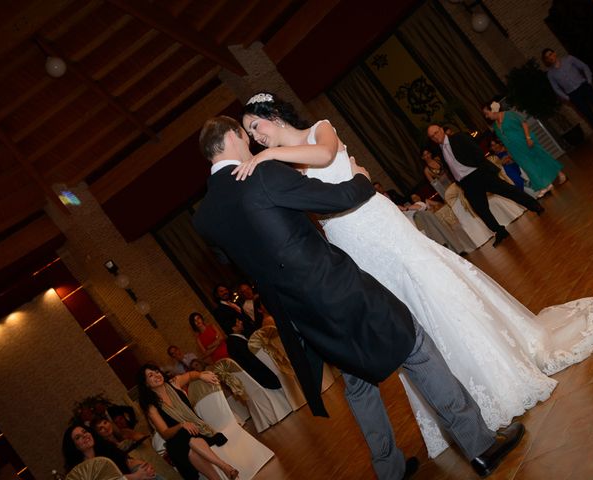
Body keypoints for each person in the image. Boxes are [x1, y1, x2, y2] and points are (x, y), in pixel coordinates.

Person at [236, 92, 593, 459]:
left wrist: (270, 157)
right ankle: (450, 404)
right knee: (401, 314)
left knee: (430, 285)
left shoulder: (317, 129)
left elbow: (323, 155)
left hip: (377, 223)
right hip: (348, 240)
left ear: (273, 116)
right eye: (251, 135)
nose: (256, 139)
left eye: (256, 128)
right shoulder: (281, 164)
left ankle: (490, 376)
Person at [193, 114, 526, 479]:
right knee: (415, 346)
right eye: (246, 135)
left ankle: (389, 469)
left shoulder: (204, 217)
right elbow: (333, 199)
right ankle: (479, 444)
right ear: (233, 137)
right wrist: (362, 179)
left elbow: (232, 256)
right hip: (335, 286)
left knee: (357, 381)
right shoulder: (262, 173)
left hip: (298, 312)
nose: (251, 143)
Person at [426, 123, 544, 247]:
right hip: (466, 183)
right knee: (481, 210)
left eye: (436, 132)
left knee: (508, 190)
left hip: (479, 173)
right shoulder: (440, 150)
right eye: (432, 136)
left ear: (441, 130)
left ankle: (535, 206)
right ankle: (500, 231)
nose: (435, 136)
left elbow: (477, 151)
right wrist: (459, 182)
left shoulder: (459, 137)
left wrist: (480, 168)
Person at [137, 364, 238, 480]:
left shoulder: (174, 383)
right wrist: (181, 425)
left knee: (189, 444)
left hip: (196, 430)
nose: (156, 375)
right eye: (151, 375)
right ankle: (225, 467)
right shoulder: (151, 406)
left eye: (157, 371)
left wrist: (201, 375)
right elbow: (165, 433)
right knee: (184, 436)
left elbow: (190, 375)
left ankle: (220, 475)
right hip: (176, 440)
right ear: (145, 383)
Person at [483, 101, 567, 197]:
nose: (486, 116)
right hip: (515, 150)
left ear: (493, 110)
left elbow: (524, 123)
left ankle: (560, 174)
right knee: (529, 167)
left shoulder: (509, 114)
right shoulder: (495, 126)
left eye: (487, 113)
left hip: (526, 142)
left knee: (542, 158)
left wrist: (528, 138)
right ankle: (544, 185)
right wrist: (509, 152)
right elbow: (503, 140)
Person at [542, 48, 593, 141]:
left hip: (584, 87)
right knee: (588, 114)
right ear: (546, 60)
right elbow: (556, 88)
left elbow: (584, 66)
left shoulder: (569, 59)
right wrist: (567, 97)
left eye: (550, 54)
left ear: (555, 53)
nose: (550, 57)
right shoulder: (550, 74)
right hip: (573, 95)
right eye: (547, 57)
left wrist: (589, 81)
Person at [62, 424, 159, 480]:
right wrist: (136, 476)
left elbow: (127, 462)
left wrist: (144, 467)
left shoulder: (106, 448)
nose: (84, 436)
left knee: (148, 473)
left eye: (84, 432)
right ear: (74, 446)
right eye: (78, 437)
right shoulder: (81, 471)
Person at [225, 318, 282, 389]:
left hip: (263, 373)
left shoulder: (235, 339)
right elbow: (252, 359)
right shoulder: (234, 342)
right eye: (238, 322)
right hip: (264, 376)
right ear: (234, 328)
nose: (241, 322)